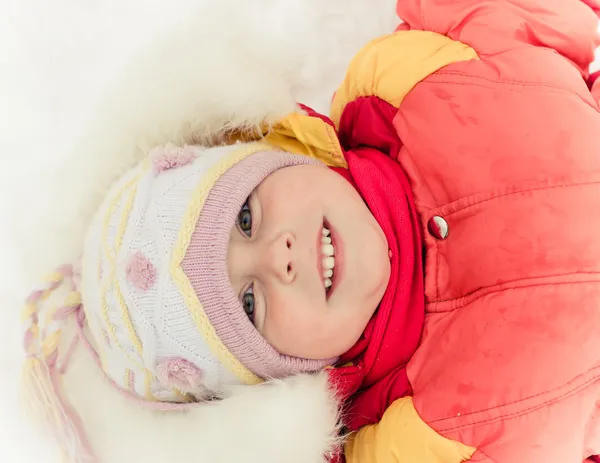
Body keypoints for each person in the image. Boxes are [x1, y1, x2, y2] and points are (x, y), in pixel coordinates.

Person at [21, 0, 600, 461]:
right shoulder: (414, 442)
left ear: (275, 156)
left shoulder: (404, 85)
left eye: (245, 217)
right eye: (247, 305)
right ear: (283, 376)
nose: (280, 257)